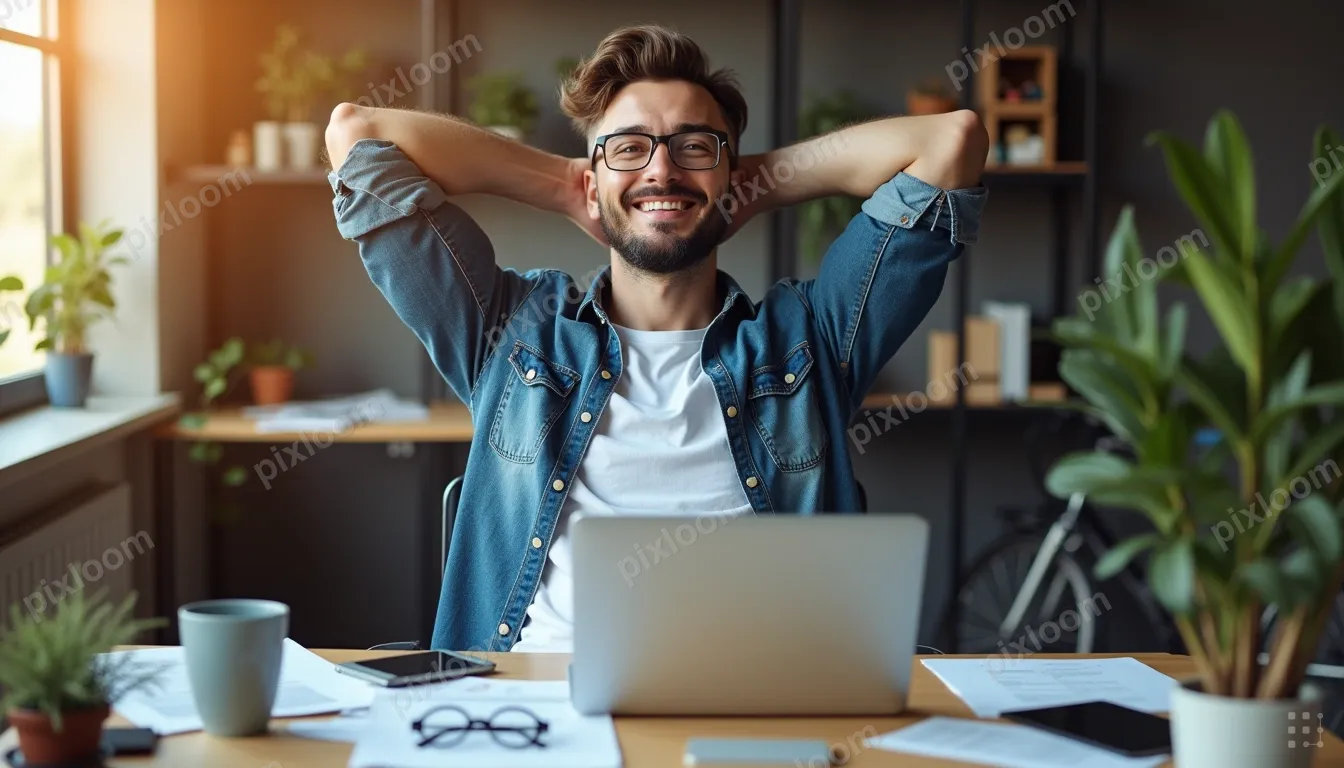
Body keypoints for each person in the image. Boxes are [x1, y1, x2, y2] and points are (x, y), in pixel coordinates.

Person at [324, 24, 988, 653]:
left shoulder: (810, 340)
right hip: (536, 701)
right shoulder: (512, 330)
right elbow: (359, 136)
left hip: (761, 702)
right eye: (629, 147)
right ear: (592, 177)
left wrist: (754, 183)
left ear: (733, 176)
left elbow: (951, 144)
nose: (662, 170)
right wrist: (564, 186)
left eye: (695, 146)